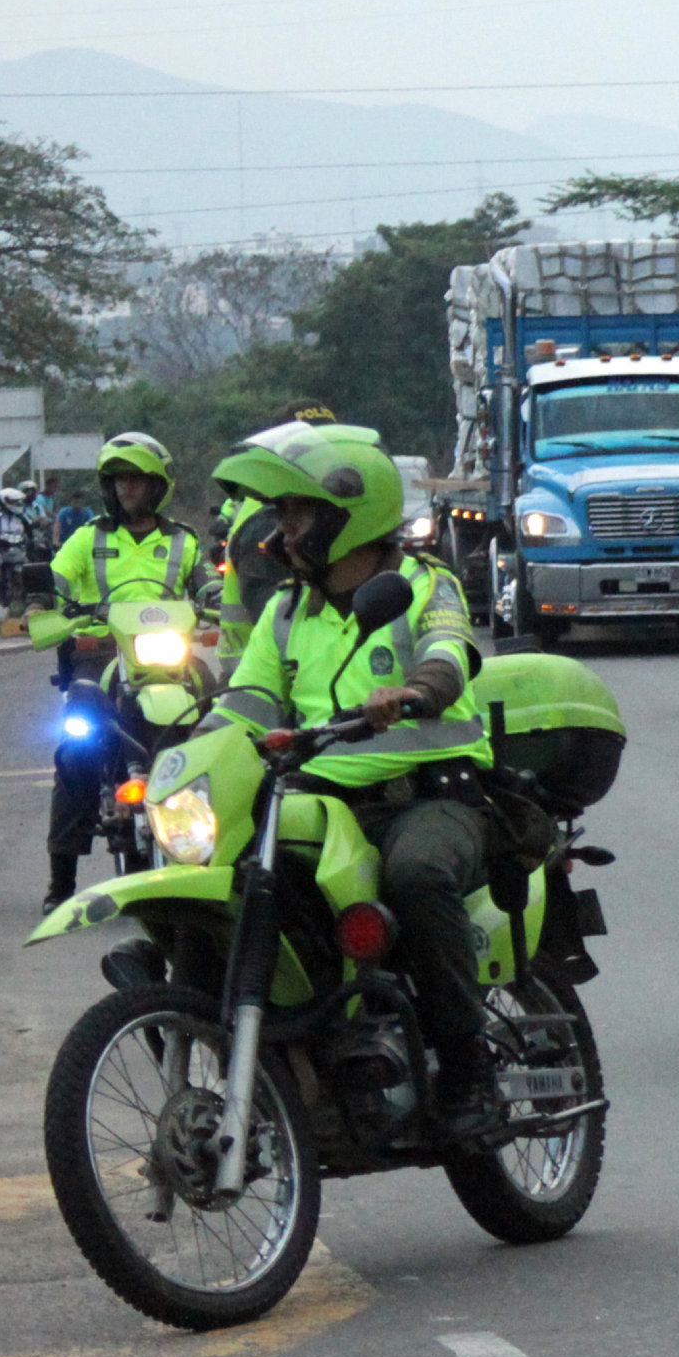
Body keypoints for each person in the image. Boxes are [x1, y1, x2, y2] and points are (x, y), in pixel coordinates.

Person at [199, 419, 502, 1146]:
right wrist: (184, 751)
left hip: (427, 798)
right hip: (318, 806)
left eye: (298, 513)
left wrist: (416, 689)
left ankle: (471, 1073)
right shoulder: (285, 611)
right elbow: (245, 707)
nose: (285, 530)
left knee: (418, 876)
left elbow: (451, 650)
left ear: (347, 512)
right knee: (242, 886)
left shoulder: (425, 584)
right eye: (284, 514)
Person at [39, 433, 205, 909]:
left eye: (135, 479)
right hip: (100, 655)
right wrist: (38, 599)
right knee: (76, 750)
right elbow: (56, 577)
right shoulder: (88, 537)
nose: (126, 489)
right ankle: (62, 880)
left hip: (166, 658)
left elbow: (210, 584)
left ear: (157, 486)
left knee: (214, 721)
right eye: (118, 481)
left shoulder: (182, 541)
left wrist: (217, 599)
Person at [215, 400, 339, 657]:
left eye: (328, 444)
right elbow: (282, 618)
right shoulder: (268, 517)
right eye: (308, 447)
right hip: (259, 675)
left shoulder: (313, 503)